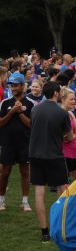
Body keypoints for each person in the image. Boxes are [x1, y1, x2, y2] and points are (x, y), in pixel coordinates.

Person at [29, 80, 71, 242]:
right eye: (59, 92)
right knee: (63, 189)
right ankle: (62, 226)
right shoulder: (61, 113)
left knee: (39, 191)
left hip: (35, 154)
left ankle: (44, 232)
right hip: (54, 155)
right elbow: (68, 136)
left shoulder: (35, 109)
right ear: (55, 93)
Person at [0, 72, 35, 211]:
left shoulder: (31, 103)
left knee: (25, 172)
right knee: (5, 172)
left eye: (15, 85)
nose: (13, 88)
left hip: (24, 143)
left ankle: (25, 202)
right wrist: (11, 112)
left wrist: (20, 111)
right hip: (8, 143)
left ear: (22, 85)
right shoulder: (5, 103)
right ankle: (1, 200)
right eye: (11, 85)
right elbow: (0, 123)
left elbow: (32, 124)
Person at [60, 87, 76, 180]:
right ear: (63, 100)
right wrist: (73, 136)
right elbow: (64, 137)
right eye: (71, 99)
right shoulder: (60, 114)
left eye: (74, 99)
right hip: (64, 154)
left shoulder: (70, 114)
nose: (74, 101)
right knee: (64, 184)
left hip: (74, 153)